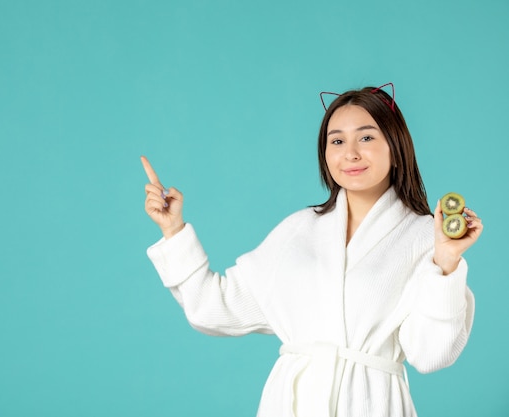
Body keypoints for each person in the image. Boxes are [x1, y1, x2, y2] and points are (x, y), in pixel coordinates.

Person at [140, 84, 483, 417]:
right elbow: (213, 308)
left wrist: (447, 263)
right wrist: (173, 230)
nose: (350, 152)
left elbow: (430, 354)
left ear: (396, 146)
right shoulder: (299, 229)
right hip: (291, 403)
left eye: (366, 137)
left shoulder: (426, 237)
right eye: (337, 141)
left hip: (371, 402)